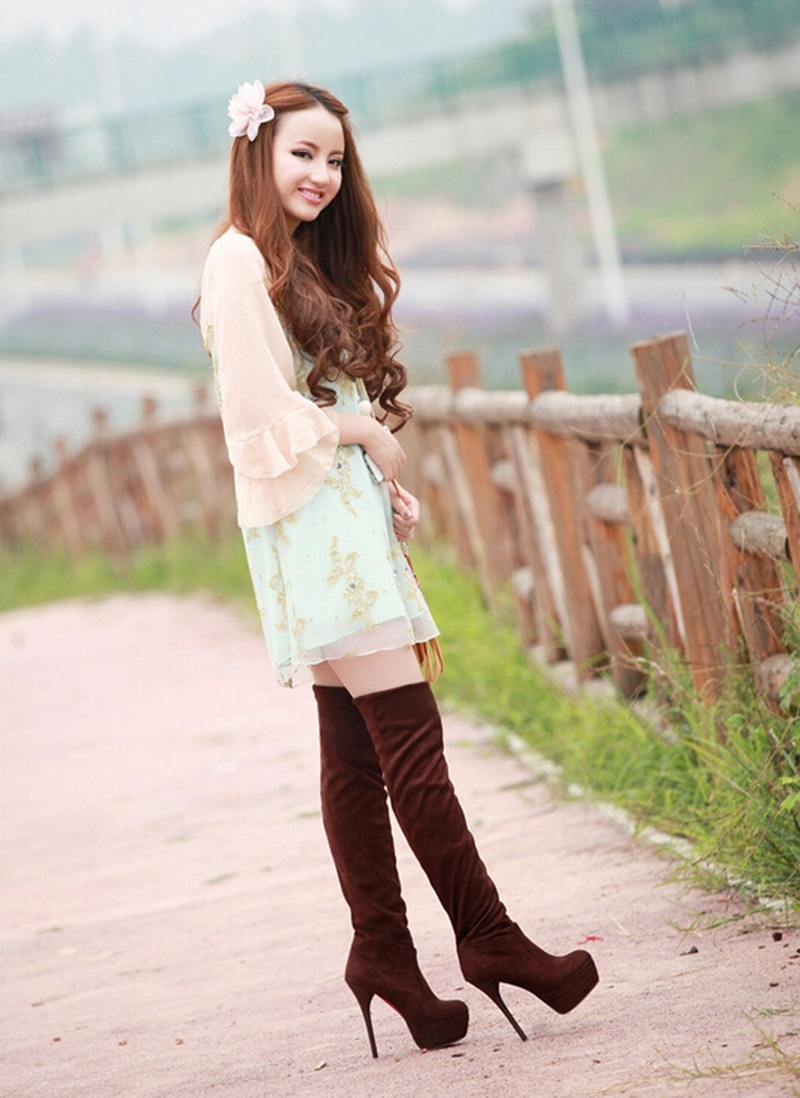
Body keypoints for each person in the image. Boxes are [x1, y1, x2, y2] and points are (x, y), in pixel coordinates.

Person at [198, 79, 598, 1059]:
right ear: (256, 151)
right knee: (413, 749)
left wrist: (379, 492)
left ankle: (382, 953)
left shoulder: (287, 260)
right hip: (317, 547)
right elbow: (256, 423)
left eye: (335, 159)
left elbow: (310, 414)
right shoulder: (236, 259)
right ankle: (490, 938)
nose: (321, 175)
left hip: (334, 536)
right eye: (302, 154)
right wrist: (367, 437)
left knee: (355, 754)